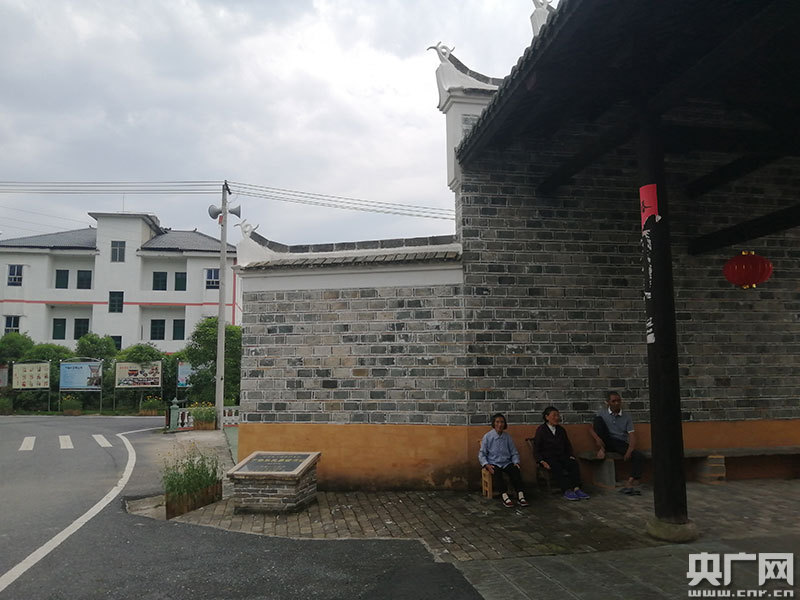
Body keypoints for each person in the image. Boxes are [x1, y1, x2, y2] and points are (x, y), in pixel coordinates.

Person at [590, 391, 645, 495]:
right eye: (613, 401)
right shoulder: (602, 413)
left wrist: (629, 450)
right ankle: (602, 449)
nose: (617, 403)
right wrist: (597, 440)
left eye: (618, 401)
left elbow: (632, 435)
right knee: (598, 420)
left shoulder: (626, 416)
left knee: (639, 456)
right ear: (608, 403)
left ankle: (630, 482)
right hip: (606, 441)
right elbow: (591, 429)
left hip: (619, 443)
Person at [533, 406, 589, 501]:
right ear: (547, 417)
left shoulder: (561, 430)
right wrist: (542, 461)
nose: (557, 418)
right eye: (554, 415)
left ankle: (577, 488)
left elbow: (567, 445)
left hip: (562, 456)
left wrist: (571, 455)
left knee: (573, 464)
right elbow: (536, 449)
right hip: (549, 458)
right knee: (556, 466)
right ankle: (566, 490)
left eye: (558, 415)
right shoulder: (541, 430)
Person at [478, 413, 530, 508]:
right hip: (493, 463)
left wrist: (516, 462)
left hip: (506, 462)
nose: (500, 424)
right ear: (494, 423)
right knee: (497, 474)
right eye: (497, 422)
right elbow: (482, 454)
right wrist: (486, 464)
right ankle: (505, 496)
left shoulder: (507, 437)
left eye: (502, 422)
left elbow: (514, 452)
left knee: (515, 471)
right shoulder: (488, 437)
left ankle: (521, 495)